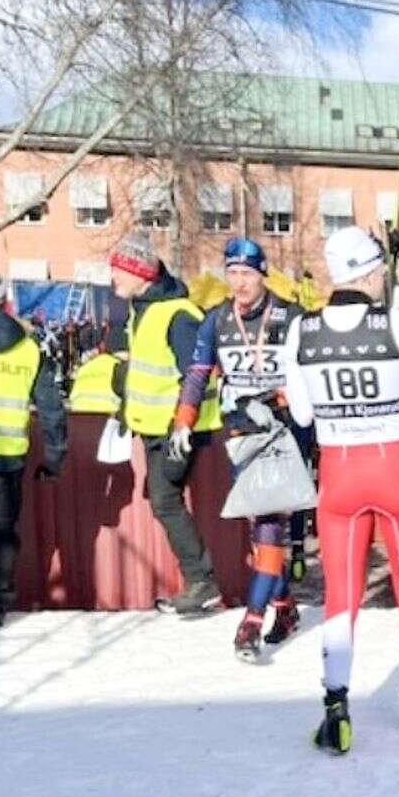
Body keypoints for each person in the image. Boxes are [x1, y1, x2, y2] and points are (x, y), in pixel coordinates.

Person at [281, 226, 399, 753]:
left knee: (341, 591)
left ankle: (334, 704)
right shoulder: (394, 321)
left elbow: (301, 413)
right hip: (392, 465)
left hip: (339, 469)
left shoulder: (301, 330)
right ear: (370, 272)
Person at [171, 238, 303, 663]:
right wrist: (183, 421)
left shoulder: (289, 315)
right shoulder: (217, 320)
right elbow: (197, 373)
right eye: (233, 273)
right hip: (240, 435)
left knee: (269, 526)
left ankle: (252, 621)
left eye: (247, 274)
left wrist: (287, 394)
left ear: (263, 274)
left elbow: (310, 372)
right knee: (259, 531)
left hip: (281, 434)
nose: (239, 282)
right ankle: (284, 607)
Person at [108, 230, 222, 615]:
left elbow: (198, 372)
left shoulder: (177, 314)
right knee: (162, 500)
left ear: (142, 273)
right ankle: (199, 582)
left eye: (120, 271)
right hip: (156, 426)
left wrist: (183, 426)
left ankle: (201, 582)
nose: (114, 279)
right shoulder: (143, 309)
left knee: (164, 499)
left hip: (177, 429)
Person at [0, 270, 67, 627]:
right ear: (5, 303)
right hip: (6, 456)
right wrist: (54, 459)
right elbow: (52, 409)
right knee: (1, 532)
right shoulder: (27, 349)